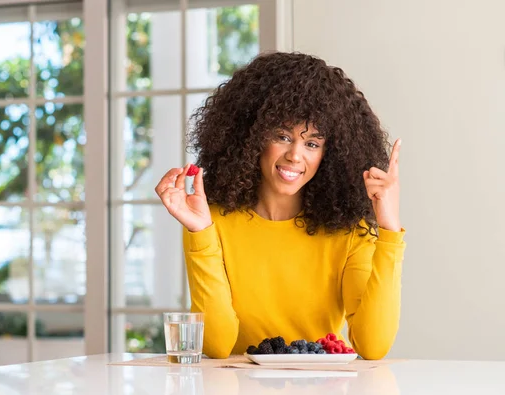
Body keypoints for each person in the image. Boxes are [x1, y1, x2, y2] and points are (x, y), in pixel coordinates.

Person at [154, 52, 406, 360]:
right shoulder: (211, 219)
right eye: (283, 136)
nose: (295, 155)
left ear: (329, 153)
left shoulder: (348, 230)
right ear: (253, 137)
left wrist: (390, 229)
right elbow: (217, 346)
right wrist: (200, 231)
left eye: (312, 143)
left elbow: (374, 345)